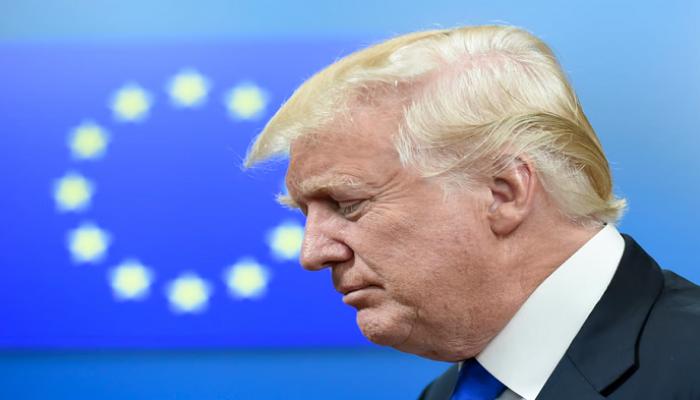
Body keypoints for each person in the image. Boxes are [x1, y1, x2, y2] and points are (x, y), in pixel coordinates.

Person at [244, 25, 700, 399]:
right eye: (305, 213)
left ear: (503, 193)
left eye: (348, 204)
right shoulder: (447, 393)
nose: (312, 253)